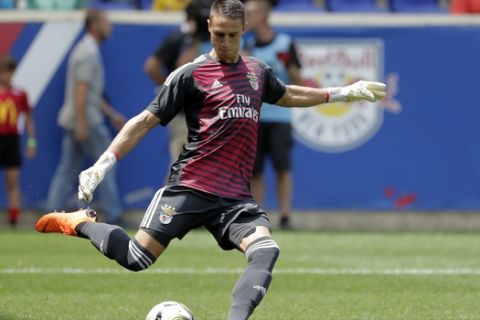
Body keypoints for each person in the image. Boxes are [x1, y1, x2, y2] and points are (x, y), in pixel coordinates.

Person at [35, 0, 385, 319]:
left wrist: (342, 92)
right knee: (136, 259)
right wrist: (102, 164)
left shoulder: (257, 72)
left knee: (266, 250)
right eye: (219, 34)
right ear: (209, 29)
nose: (225, 42)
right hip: (190, 186)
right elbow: (143, 122)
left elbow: (288, 94)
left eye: (233, 35)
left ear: (244, 31)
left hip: (234, 197)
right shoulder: (189, 75)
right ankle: (80, 222)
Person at [46, 9, 126, 224]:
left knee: (67, 169)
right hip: (87, 122)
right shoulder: (88, 52)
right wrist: (82, 123)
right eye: (106, 22)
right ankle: (114, 213)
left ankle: (50, 213)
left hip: (81, 120)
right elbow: (81, 90)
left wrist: (111, 114)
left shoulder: (86, 50)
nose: (110, 27)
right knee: (106, 166)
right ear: (95, 25)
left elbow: (89, 92)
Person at [244, 0, 302, 230]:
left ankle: (285, 216)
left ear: (265, 14)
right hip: (253, 117)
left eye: (252, 13)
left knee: (282, 167)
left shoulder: (285, 43)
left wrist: (289, 65)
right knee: (254, 170)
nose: (248, 18)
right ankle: (259, 216)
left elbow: (298, 81)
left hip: (280, 117)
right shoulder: (244, 44)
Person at [144, 0, 212, 164]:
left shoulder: (212, 38)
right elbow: (152, 66)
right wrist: (169, 91)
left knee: (191, 164)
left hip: (203, 110)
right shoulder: (180, 38)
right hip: (183, 112)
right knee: (184, 162)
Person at [0, 54, 36, 225]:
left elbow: (28, 118)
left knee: (12, 180)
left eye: (8, 72)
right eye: (2, 72)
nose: (4, 76)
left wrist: (31, 141)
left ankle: (13, 219)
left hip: (11, 141)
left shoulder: (20, 94)